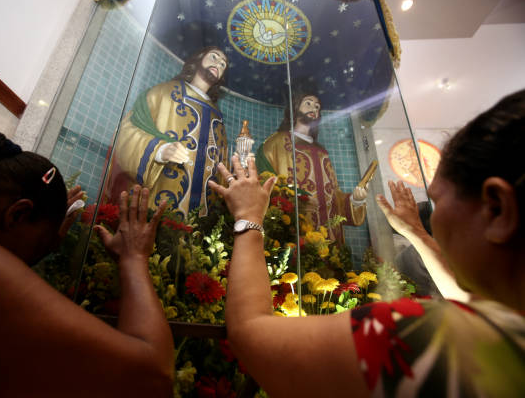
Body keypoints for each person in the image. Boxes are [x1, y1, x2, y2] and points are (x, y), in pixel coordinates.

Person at [209, 89, 525, 397]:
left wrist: (249, 217)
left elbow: (250, 336)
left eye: (438, 203)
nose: (435, 220)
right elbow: (463, 295)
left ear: (497, 209)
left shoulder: (428, 338)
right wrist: (416, 232)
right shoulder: (506, 326)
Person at [0, 130, 174, 397]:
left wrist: (38, 247)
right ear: (17, 214)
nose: (19, 266)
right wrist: (134, 258)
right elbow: (151, 379)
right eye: (38, 246)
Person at [106, 46, 229, 218]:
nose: (218, 63)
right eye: (214, 57)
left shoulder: (219, 117)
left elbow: (222, 163)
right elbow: (127, 131)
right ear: (199, 58)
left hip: (202, 216)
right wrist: (160, 150)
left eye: (223, 64)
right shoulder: (163, 92)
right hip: (156, 201)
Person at [256, 92, 367, 244]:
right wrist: (296, 199)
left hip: (328, 239)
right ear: (295, 107)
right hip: (294, 233)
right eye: (308, 103)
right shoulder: (276, 143)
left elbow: (334, 195)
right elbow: (263, 181)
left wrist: (355, 201)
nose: (314, 109)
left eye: (317, 107)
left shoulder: (323, 152)